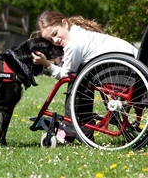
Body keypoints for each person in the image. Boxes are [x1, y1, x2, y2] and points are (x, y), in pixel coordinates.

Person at [31, 10, 138, 143]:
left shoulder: (73, 45)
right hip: (132, 67)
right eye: (50, 40)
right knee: (81, 74)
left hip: (123, 71)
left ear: (64, 23)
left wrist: (46, 64)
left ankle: (74, 125)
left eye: (55, 34)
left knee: (75, 78)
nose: (55, 40)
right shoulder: (80, 34)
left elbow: (65, 75)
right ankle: (81, 124)